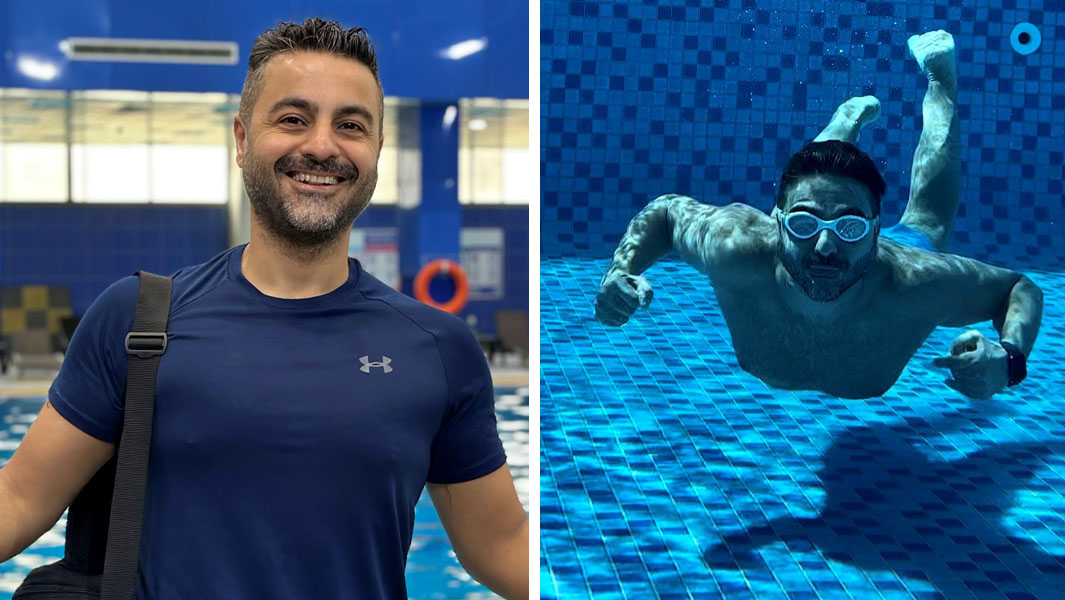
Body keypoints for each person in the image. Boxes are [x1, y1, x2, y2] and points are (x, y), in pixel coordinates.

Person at [0, 18, 528, 599]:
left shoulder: (438, 349)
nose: (321, 146)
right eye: (293, 119)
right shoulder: (139, 322)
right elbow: (20, 498)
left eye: (350, 125)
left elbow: (502, 543)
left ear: (377, 151)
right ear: (242, 139)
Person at [595, 30, 1043, 400]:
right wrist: (620, 271)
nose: (826, 247)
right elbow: (667, 213)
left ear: (874, 229)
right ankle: (844, 124)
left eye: (849, 226)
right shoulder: (736, 247)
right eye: (803, 225)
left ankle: (940, 80)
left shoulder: (916, 282)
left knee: (928, 220)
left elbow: (1017, 288)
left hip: (893, 254)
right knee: (818, 182)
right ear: (777, 222)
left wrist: (1009, 359)